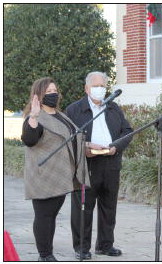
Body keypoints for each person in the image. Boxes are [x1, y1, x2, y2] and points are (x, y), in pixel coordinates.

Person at [65, 71, 133, 260]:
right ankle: (81, 248)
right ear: (87, 89)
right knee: (83, 209)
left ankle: (105, 245)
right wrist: (84, 146)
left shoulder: (113, 108)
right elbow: (67, 137)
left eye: (103, 85)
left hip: (111, 163)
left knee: (108, 208)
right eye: (96, 86)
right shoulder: (74, 110)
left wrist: (116, 147)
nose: (100, 89)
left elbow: (127, 131)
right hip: (87, 165)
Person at [21, 77, 90, 261]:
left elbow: (71, 137)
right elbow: (29, 139)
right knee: (44, 216)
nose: (53, 94)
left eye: (55, 91)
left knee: (51, 215)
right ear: (39, 95)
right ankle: (45, 255)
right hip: (44, 175)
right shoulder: (35, 117)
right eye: (48, 92)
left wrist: (90, 146)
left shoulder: (60, 114)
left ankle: (47, 253)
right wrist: (34, 117)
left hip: (61, 175)